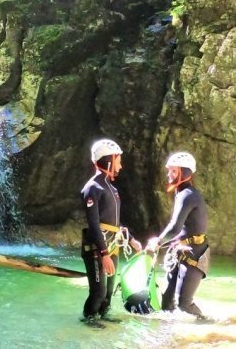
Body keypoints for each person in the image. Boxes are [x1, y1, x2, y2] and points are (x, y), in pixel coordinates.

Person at [79, 138, 142, 329]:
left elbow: (113, 222)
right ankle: (88, 320)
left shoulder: (112, 188)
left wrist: (130, 239)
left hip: (112, 245)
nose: (121, 166)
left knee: (108, 292)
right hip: (97, 248)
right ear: (108, 160)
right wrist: (104, 253)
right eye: (118, 160)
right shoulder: (93, 188)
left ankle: (103, 316)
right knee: (98, 292)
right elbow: (94, 224)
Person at [145, 151, 211, 321]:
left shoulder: (188, 195)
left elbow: (175, 227)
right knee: (167, 301)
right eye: (169, 171)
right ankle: (169, 339)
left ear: (185, 172)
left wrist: (158, 241)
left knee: (184, 303)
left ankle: (208, 325)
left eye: (173, 171)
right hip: (182, 250)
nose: (169, 174)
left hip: (195, 253)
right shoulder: (181, 193)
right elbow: (178, 227)